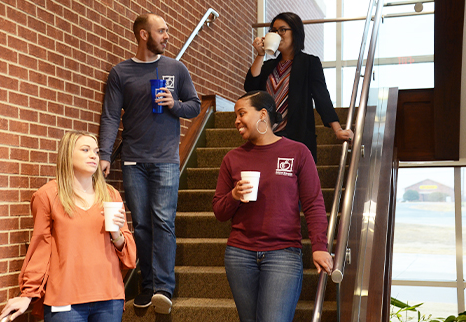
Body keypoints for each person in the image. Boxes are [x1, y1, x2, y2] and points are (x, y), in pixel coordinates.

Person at [99, 13, 201, 313]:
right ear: (143, 35)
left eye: (167, 30)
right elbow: (109, 116)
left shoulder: (176, 69)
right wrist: (105, 154)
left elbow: (194, 106)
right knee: (142, 224)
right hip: (133, 160)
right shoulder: (121, 73)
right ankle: (146, 286)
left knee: (163, 222)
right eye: (162, 31)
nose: (167, 35)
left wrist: (174, 104)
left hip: (166, 160)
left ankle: (164, 289)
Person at [212, 91, 333, 322]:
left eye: (242, 113)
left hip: (283, 254)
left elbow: (314, 203)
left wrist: (319, 245)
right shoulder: (231, 158)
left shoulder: (298, 152)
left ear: (263, 115)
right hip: (240, 254)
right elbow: (219, 211)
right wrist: (235, 195)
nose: (236, 120)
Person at [0, 131, 136, 322]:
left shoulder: (110, 195)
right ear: (67, 155)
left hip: (109, 297)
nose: (93, 155)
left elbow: (129, 256)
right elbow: (41, 249)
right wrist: (28, 294)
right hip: (65, 299)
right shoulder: (47, 196)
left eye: (96, 151)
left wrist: (116, 233)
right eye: (85, 150)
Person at [244, 12, 353, 163]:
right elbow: (250, 88)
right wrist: (260, 55)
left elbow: (321, 97)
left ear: (295, 32)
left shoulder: (309, 63)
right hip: (265, 135)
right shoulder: (268, 66)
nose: (277, 34)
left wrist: (338, 130)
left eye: (282, 30)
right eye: (274, 31)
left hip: (296, 136)